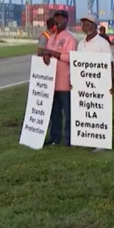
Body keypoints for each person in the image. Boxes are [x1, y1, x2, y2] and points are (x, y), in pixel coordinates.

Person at [77, 14, 114, 153]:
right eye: (83, 24)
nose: (85, 27)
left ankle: (102, 141)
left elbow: (110, 63)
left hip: (100, 83)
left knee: (100, 111)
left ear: (95, 26)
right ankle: (88, 137)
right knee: (87, 111)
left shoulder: (102, 43)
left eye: (88, 24)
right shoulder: (81, 44)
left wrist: (112, 82)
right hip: (84, 84)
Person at [41, 10, 77, 146]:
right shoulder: (51, 38)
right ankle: (55, 137)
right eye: (56, 18)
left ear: (67, 21)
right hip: (51, 82)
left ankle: (70, 139)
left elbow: (72, 58)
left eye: (61, 18)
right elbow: (46, 52)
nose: (59, 21)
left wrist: (55, 54)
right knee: (54, 113)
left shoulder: (70, 39)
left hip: (65, 82)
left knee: (68, 114)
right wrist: (46, 55)